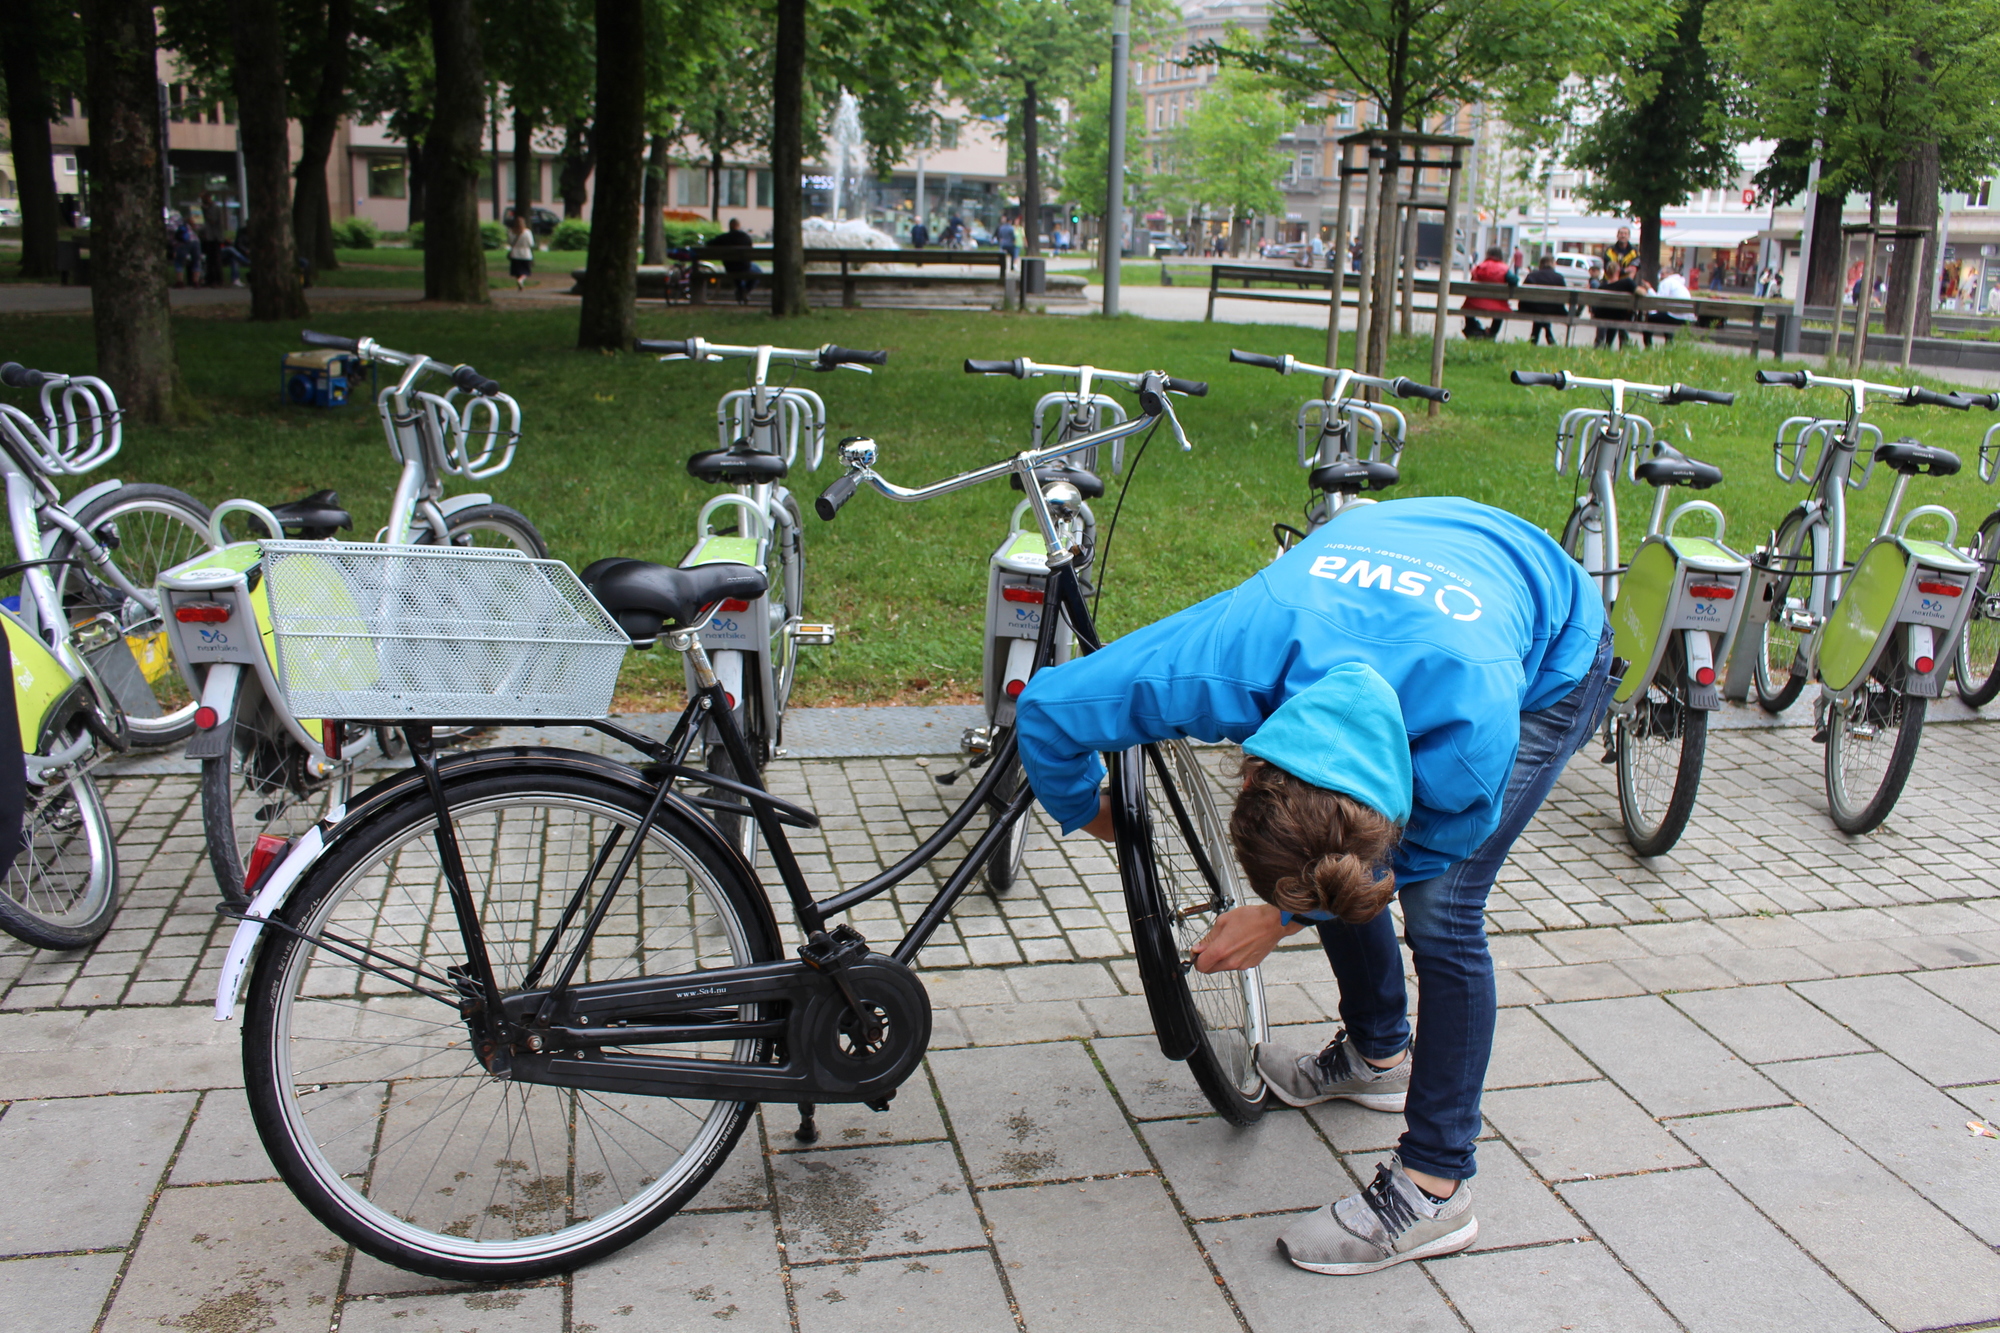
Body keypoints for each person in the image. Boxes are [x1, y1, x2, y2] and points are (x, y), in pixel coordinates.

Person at [1016, 497, 1612, 1275]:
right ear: (1252, 758)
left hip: (1549, 634)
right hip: (1392, 569)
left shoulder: (1464, 749)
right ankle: (1377, 1054)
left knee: (1444, 912)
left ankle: (1436, 1189)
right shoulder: (1223, 660)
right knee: (1345, 863)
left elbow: (1414, 859)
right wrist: (1093, 813)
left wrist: (1282, 917)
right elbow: (1049, 710)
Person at [1462, 246, 1512, 339]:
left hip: (1475, 304)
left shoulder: (1479, 267)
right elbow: (1514, 280)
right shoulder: (1504, 268)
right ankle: (1492, 333)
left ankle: (1474, 330)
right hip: (1498, 305)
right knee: (1500, 312)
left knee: (1467, 307)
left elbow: (1472, 282)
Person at [1519, 252, 1567, 346]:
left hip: (1532, 309)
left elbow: (1523, 294)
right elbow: (1563, 298)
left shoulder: (1532, 276)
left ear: (1540, 264)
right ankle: (1548, 337)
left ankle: (1535, 338)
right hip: (1554, 309)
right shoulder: (1559, 278)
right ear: (1553, 264)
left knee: (1540, 308)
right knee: (1545, 308)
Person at [712, 216, 757, 303]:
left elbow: (709, 244)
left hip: (730, 267)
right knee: (757, 271)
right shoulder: (746, 238)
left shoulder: (723, 238)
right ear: (738, 226)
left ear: (730, 226)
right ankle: (745, 291)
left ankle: (741, 291)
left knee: (736, 269)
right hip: (745, 266)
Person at [1643, 267, 1690, 347]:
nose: (1660, 276)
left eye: (1662, 274)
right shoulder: (1679, 284)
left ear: (1670, 274)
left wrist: (1649, 289)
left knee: (1650, 318)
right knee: (1664, 316)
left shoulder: (1666, 282)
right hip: (1685, 318)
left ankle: (1648, 346)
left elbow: (1659, 301)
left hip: (1674, 317)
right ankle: (1669, 345)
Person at [199, 191, 226, 288]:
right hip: (207, 237)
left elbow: (213, 220)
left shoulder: (214, 208)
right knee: (209, 260)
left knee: (216, 259)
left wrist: (205, 212)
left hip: (214, 237)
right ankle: (209, 279)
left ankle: (218, 280)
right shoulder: (204, 208)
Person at [506, 212, 536, 291]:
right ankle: (521, 280)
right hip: (525, 253)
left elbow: (509, 242)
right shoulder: (527, 232)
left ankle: (518, 280)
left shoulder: (511, 232)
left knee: (517, 271)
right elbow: (531, 243)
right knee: (525, 271)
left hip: (515, 253)